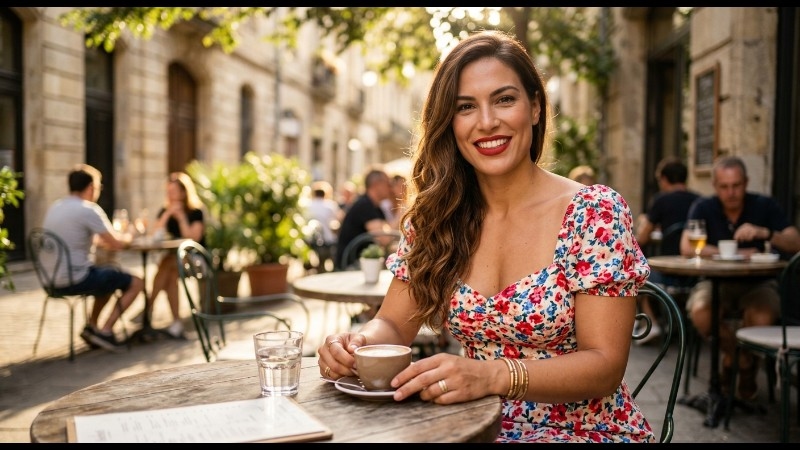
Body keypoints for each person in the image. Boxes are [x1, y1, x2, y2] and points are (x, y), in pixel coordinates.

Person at [317, 30, 654, 443]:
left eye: (504, 99)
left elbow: (604, 365)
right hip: (468, 427)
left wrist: (493, 375)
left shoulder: (594, 212)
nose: (487, 121)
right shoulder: (438, 217)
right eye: (465, 107)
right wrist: (356, 345)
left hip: (584, 431)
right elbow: (391, 322)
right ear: (449, 123)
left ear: (534, 107)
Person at [680, 155, 800, 400]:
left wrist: (766, 233)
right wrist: (736, 252)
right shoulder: (703, 207)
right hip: (715, 282)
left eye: (736, 185)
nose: (731, 192)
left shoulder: (764, 206)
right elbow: (686, 248)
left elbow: (795, 242)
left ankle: (734, 367)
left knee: (762, 315)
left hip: (757, 284)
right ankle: (739, 359)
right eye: (724, 186)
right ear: (715, 186)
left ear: (746, 182)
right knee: (701, 313)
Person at [42, 164, 144, 352]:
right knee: (136, 282)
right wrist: (132, 234)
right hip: (74, 279)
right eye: (98, 187)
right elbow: (117, 244)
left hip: (49, 280)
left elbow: (89, 239)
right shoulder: (88, 209)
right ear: (90, 188)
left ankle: (92, 328)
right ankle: (105, 331)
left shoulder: (56, 206)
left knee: (108, 275)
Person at [634, 157, 700, 344]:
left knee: (635, 277)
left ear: (663, 179)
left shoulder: (661, 200)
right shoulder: (699, 200)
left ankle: (652, 323)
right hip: (696, 274)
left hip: (668, 271)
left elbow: (642, 238)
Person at [146, 172, 205, 339]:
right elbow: (153, 235)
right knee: (171, 271)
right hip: (175, 262)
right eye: (168, 192)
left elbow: (194, 238)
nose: (170, 195)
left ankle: (148, 308)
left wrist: (181, 219)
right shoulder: (165, 211)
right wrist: (166, 215)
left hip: (196, 260)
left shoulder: (195, 211)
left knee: (169, 262)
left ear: (184, 192)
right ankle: (176, 324)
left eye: (173, 192)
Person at [334, 168, 394, 270]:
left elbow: (388, 235)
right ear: (377, 185)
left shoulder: (375, 206)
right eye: (387, 183)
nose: (390, 188)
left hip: (363, 263)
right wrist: (402, 211)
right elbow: (385, 239)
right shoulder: (365, 205)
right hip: (351, 265)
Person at [306, 180, 343, 272]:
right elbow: (339, 219)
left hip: (310, 239)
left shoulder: (308, 205)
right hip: (327, 239)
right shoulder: (330, 205)